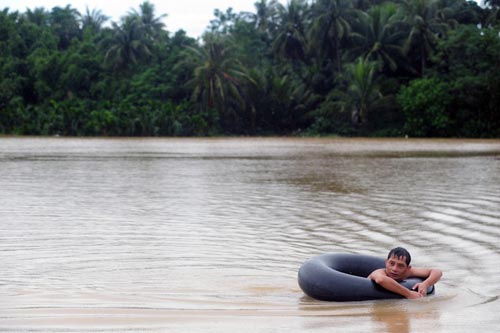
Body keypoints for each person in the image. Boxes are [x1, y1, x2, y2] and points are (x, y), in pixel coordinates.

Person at [368, 247, 443, 299]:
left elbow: (437, 272)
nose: (394, 269)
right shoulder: (379, 272)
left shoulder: (408, 273)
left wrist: (425, 284)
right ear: (386, 262)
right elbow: (381, 280)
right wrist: (409, 294)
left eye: (400, 266)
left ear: (408, 268)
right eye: (391, 263)